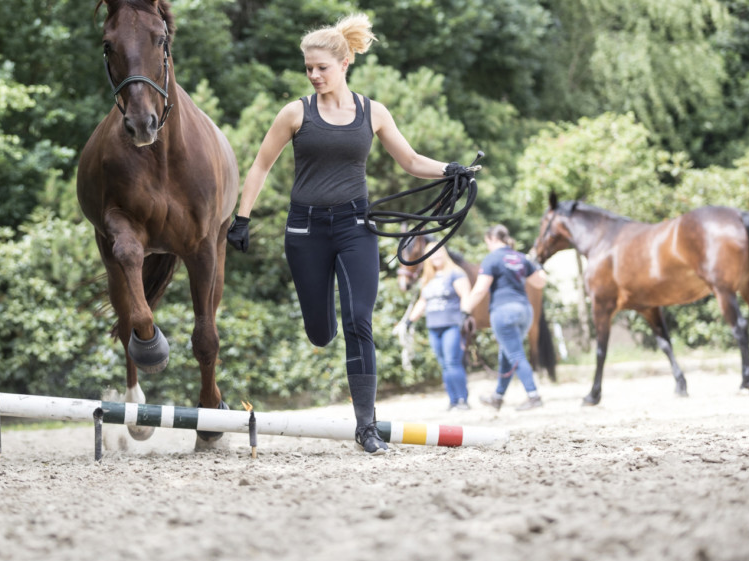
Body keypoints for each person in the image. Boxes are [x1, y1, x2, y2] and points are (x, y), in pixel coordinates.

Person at [224, 14, 475, 454]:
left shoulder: (372, 112)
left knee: (359, 319)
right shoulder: (295, 113)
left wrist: (451, 170)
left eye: (321, 67)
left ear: (344, 63)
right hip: (305, 229)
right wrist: (241, 218)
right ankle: (325, 328)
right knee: (322, 332)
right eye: (308, 69)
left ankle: (366, 427)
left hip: (356, 226)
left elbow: (412, 160)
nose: (314, 75)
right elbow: (261, 165)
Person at [460, 224, 547, 411]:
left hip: (503, 311)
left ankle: (533, 396)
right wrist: (538, 266)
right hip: (525, 311)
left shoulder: (492, 259)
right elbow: (539, 283)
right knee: (507, 354)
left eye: (487, 243)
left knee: (515, 354)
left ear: (491, 239)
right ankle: (497, 397)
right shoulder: (521, 257)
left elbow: (481, 289)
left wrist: (465, 310)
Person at [395, 246, 472, 410]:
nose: (436, 256)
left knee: (452, 362)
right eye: (432, 253)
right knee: (444, 364)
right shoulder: (427, 278)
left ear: (444, 254)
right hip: (434, 326)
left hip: (452, 324)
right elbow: (422, 301)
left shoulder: (455, 273)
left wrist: (465, 314)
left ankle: (462, 400)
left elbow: (465, 295)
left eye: (438, 252)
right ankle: (452, 400)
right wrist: (409, 321)